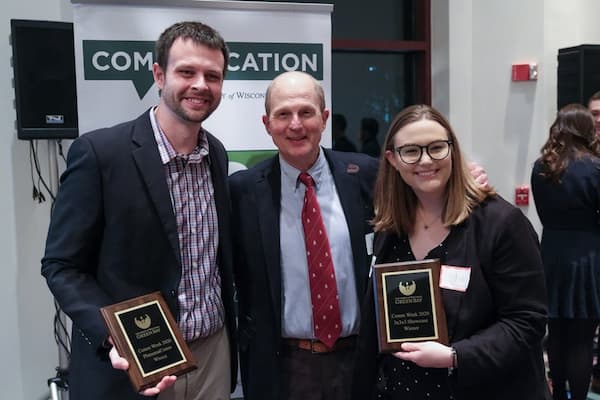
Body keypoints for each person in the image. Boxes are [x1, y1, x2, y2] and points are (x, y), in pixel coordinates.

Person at [41, 21, 237, 400]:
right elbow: (61, 266)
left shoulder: (216, 154)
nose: (200, 84)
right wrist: (113, 337)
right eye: (187, 72)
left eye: (212, 75)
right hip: (134, 364)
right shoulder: (100, 154)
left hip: (212, 355)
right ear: (159, 75)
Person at [352, 104, 550, 400]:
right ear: (392, 159)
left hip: (484, 387)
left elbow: (527, 321)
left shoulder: (501, 223)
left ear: (453, 151)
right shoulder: (389, 229)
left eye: (436, 148)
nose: (425, 160)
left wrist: (455, 356)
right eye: (411, 151)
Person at [229, 71, 379, 400]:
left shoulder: (367, 174)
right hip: (283, 368)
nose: (295, 125)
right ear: (267, 124)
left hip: (360, 362)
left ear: (324, 118)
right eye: (283, 114)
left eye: (306, 112)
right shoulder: (242, 192)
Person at [531, 104, 600, 400]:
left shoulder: (542, 166)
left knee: (556, 334)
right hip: (589, 255)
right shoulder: (595, 167)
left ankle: (557, 394)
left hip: (550, 254)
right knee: (582, 339)